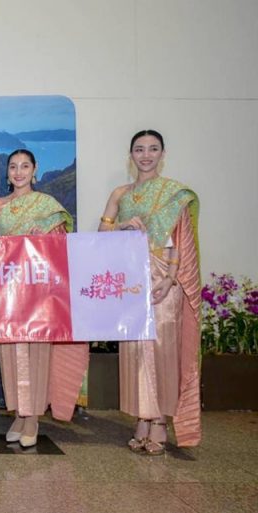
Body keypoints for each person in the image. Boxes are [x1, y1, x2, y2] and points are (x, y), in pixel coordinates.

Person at [99, 129, 201, 454]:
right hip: (131, 279)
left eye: (153, 149)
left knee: (163, 349)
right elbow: (102, 232)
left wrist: (170, 278)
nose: (146, 155)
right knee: (135, 350)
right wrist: (122, 226)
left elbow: (180, 240)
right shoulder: (120, 193)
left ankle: (160, 421)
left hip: (163, 280)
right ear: (131, 155)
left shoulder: (174, 194)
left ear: (162, 154)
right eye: (139, 149)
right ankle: (141, 418)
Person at [0, 149, 88, 448]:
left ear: (34, 169)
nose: (19, 172)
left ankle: (33, 418)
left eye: (25, 166)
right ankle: (19, 413)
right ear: (7, 172)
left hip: (38, 290)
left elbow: (61, 247)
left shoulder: (47, 206)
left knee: (36, 352)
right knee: (10, 352)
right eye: (13, 167)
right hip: (8, 289)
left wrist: (43, 239)